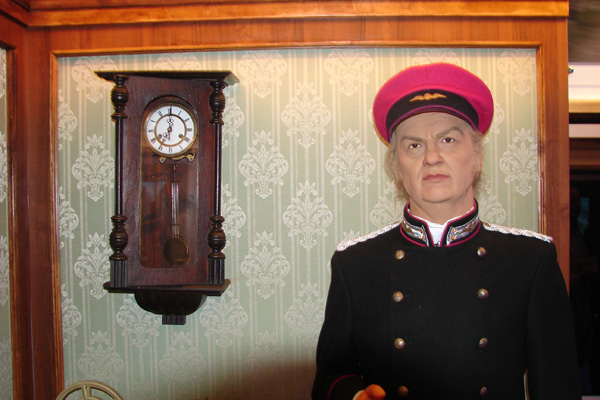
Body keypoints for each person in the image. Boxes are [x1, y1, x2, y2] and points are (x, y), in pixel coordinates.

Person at [311, 63, 581, 400]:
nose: (432, 157)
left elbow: (557, 386)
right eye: (414, 146)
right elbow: (330, 377)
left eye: (448, 140)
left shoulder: (530, 260)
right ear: (397, 166)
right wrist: (355, 396)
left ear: (476, 155)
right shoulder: (355, 264)